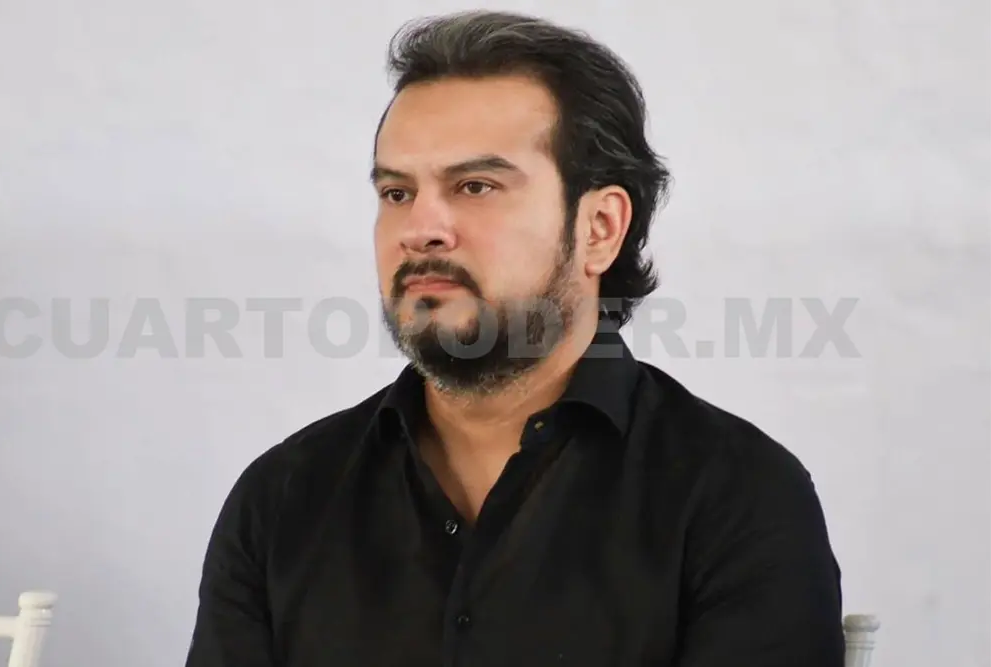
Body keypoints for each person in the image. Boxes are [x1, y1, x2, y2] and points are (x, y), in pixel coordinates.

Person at [185, 10, 845, 666]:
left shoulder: (736, 498)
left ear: (599, 228)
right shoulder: (283, 500)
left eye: (475, 186)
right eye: (396, 193)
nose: (420, 229)